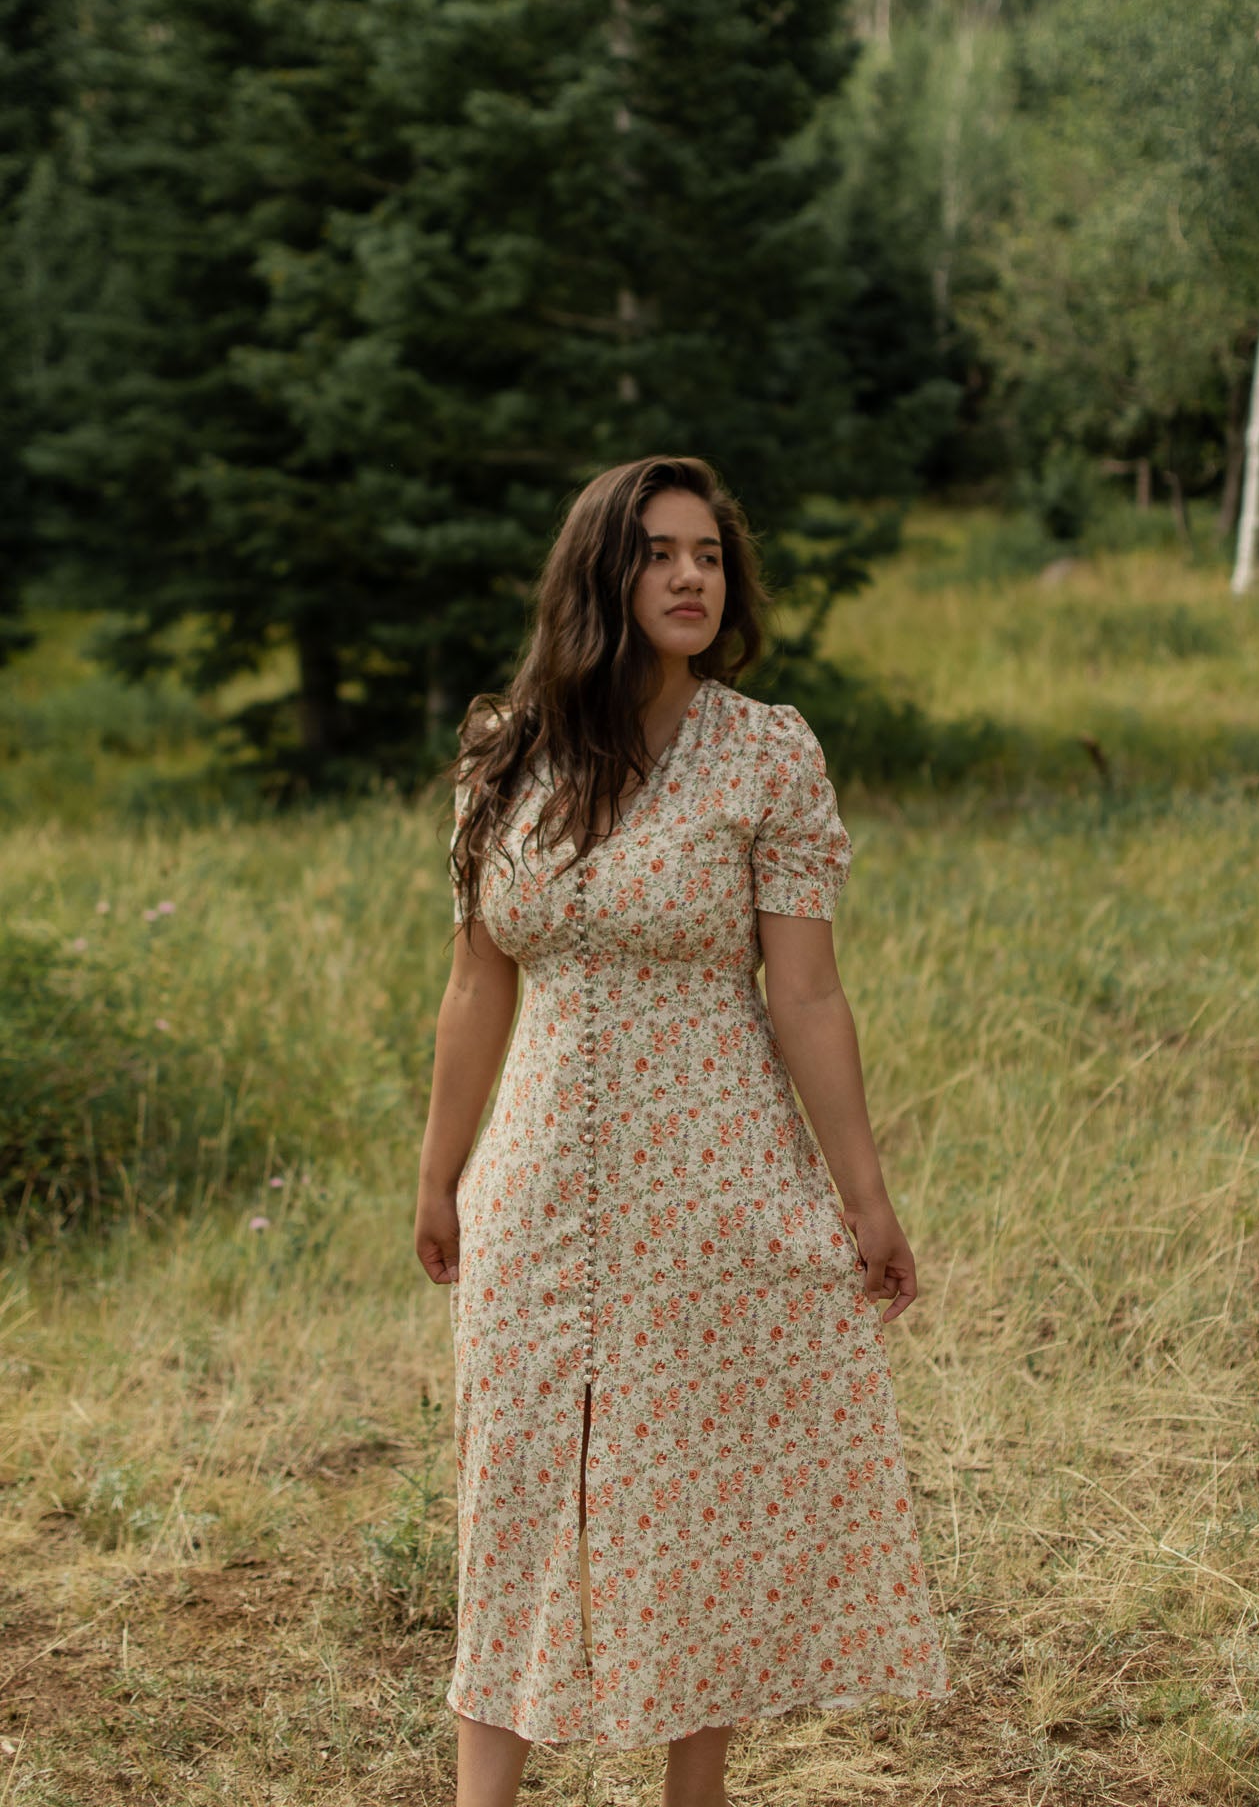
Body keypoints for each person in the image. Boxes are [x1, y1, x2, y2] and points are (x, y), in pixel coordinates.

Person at [415, 456, 950, 1807]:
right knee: (516, 1485)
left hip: (715, 1178)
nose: (692, 577)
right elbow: (477, 985)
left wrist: (864, 1199)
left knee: (695, 1496)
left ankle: (693, 1795)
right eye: (659, 553)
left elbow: (808, 993)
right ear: (603, 576)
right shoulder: (505, 755)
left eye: (708, 554)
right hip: (535, 1182)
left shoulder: (767, 749)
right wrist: (441, 1175)